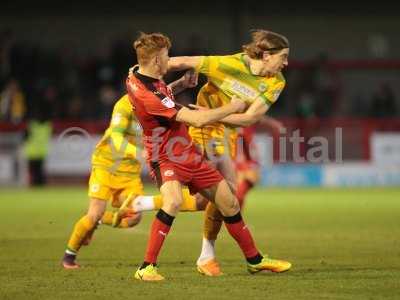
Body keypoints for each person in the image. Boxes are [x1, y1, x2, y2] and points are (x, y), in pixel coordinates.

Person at [126, 32, 290, 281]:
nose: (286, 63)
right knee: (174, 202)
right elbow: (198, 118)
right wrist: (231, 108)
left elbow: (250, 118)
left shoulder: (150, 80)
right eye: (283, 57)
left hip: (191, 147)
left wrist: (180, 84)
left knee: (228, 201)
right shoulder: (148, 90)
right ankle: (149, 266)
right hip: (170, 151)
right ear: (158, 60)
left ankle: (254, 260)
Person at [62, 70, 205, 269]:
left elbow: (165, 93)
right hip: (107, 165)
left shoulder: (150, 98)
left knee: (133, 218)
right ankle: (69, 256)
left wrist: (182, 82)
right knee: (94, 212)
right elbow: (116, 138)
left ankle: (97, 220)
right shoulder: (123, 105)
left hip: (129, 172)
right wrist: (137, 153)